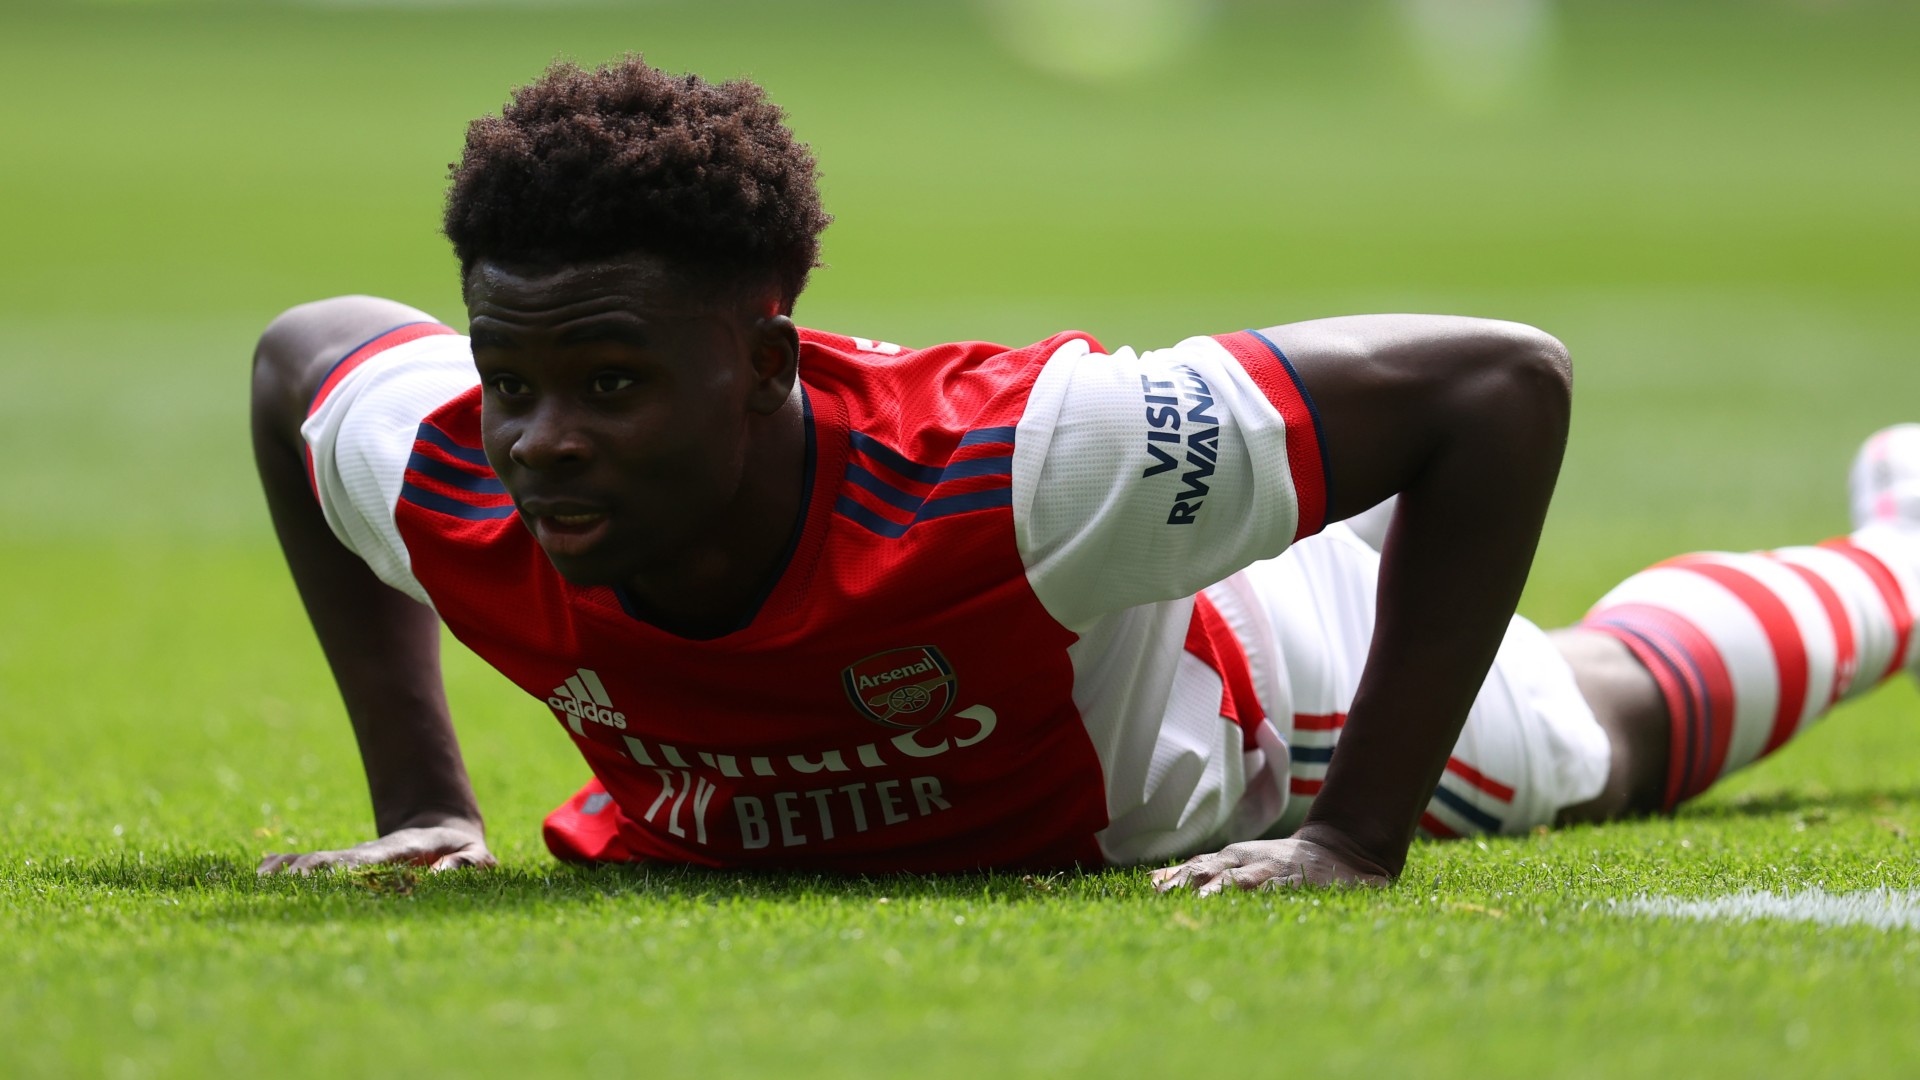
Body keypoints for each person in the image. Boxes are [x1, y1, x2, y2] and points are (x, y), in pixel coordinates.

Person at [250, 57, 1918, 893]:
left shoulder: (1035, 464)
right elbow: (301, 353)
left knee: (1610, 718)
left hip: (1270, 683)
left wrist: (1352, 839)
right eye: (515, 378)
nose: (542, 439)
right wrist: (426, 812)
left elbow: (1497, 382)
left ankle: (1904, 556)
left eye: (610, 384)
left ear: (763, 368)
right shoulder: (456, 467)